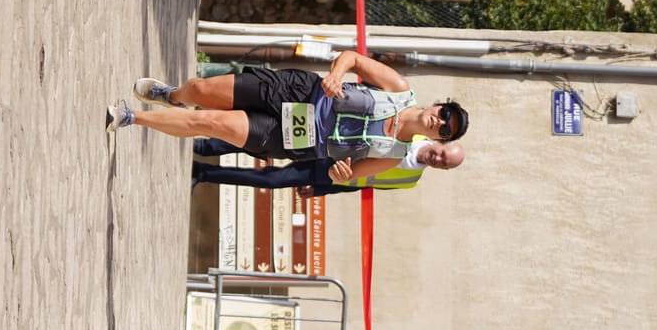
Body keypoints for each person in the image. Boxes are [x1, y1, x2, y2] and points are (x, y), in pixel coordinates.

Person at [106, 51, 467, 184]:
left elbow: (347, 174)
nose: (441, 122)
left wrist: (340, 172)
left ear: (439, 139)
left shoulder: (390, 157)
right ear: (439, 105)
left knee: (212, 124)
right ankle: (172, 96)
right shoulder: (399, 88)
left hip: (297, 137)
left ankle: (131, 118)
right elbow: (352, 59)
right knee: (200, 91)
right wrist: (336, 75)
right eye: (445, 114)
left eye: (446, 130)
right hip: (296, 91)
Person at [191, 138, 464, 196]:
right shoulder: (412, 131)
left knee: (270, 180)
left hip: (328, 174)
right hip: (329, 145)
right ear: (441, 142)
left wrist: (320, 190)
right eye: (441, 154)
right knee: (263, 143)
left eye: (443, 164)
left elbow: (359, 186)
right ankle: (207, 146)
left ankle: (202, 172)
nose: (437, 160)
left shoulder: (410, 179)